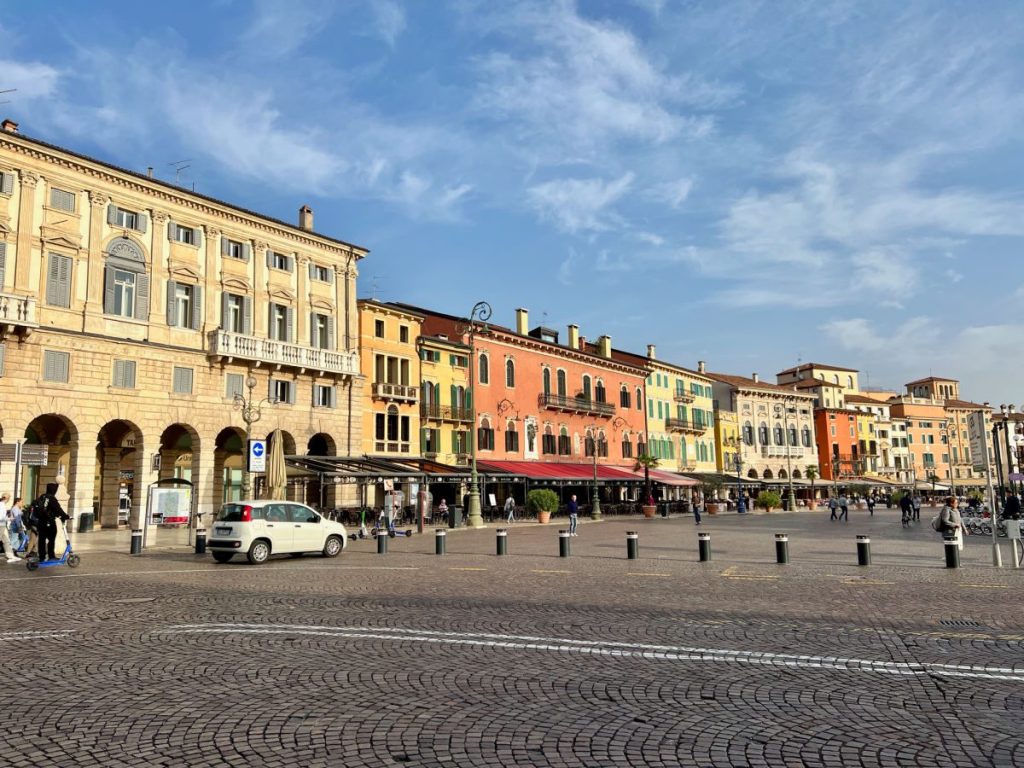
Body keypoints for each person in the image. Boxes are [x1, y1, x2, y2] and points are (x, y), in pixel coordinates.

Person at [34, 483, 69, 562]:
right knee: (51, 539)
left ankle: (42, 557)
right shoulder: (51, 498)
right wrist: (65, 516)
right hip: (49, 522)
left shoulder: (42, 497)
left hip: (41, 522)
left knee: (42, 540)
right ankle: (51, 556)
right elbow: (58, 509)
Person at [0, 493, 20, 563]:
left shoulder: (2, 504)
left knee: (6, 541)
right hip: (1, 525)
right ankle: (10, 556)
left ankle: (10, 555)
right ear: (7, 498)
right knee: (6, 541)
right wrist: (9, 519)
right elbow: (1, 517)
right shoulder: (2, 505)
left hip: (2, 525)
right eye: (9, 498)